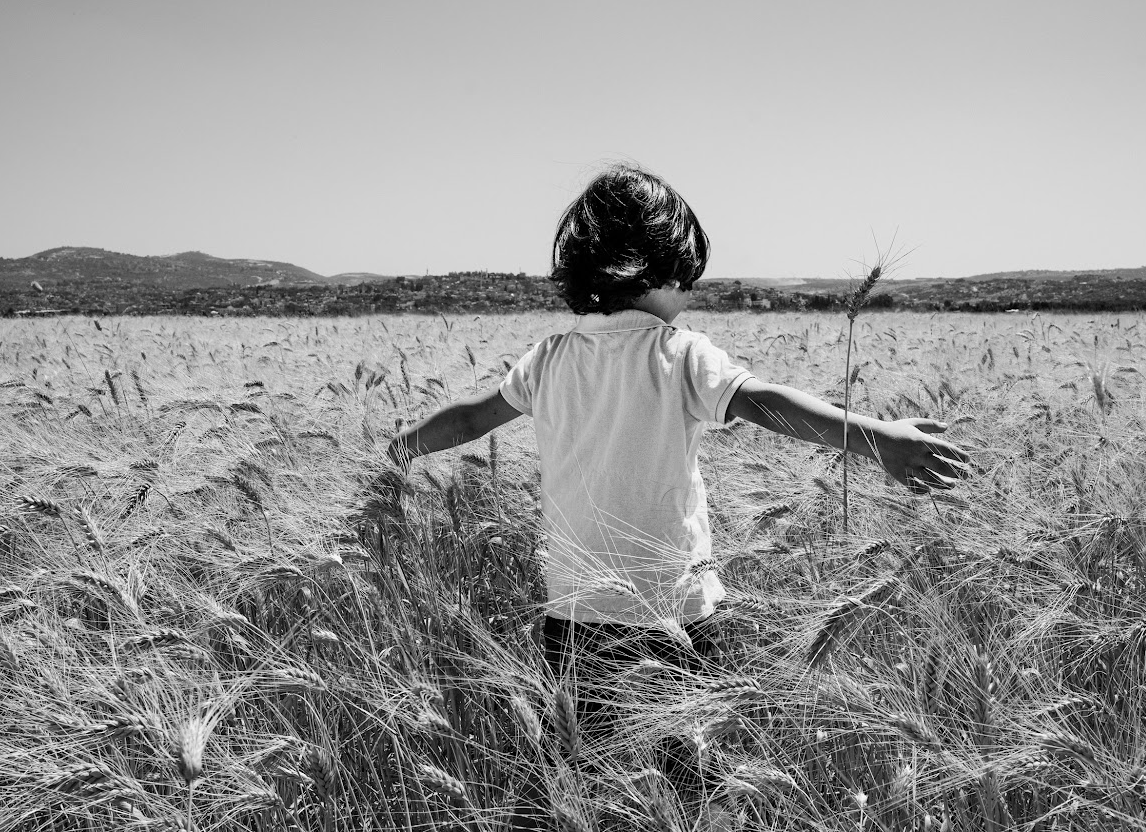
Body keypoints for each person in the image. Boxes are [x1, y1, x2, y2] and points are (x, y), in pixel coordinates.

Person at [386, 163, 968, 766]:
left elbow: (467, 419)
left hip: (574, 611)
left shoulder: (548, 357)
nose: (690, 293)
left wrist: (399, 449)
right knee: (690, 778)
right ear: (660, 269)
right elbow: (763, 403)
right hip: (671, 610)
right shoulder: (679, 352)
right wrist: (880, 438)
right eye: (688, 278)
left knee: (582, 774)